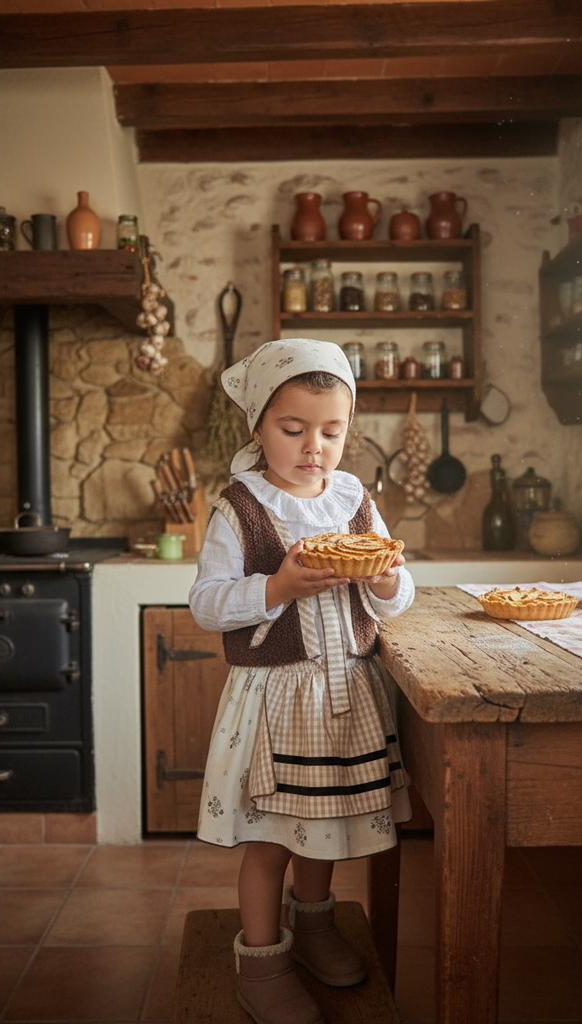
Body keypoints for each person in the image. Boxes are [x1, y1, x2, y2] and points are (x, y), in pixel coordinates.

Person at [188, 337, 415, 1024]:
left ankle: (314, 929)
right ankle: (260, 962)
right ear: (258, 426)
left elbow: (398, 594)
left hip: (348, 693)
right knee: (270, 838)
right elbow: (206, 603)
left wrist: (384, 579)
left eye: (331, 430)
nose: (314, 446)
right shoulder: (240, 506)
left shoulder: (354, 500)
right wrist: (279, 584)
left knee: (325, 825)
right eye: (293, 429)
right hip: (274, 697)